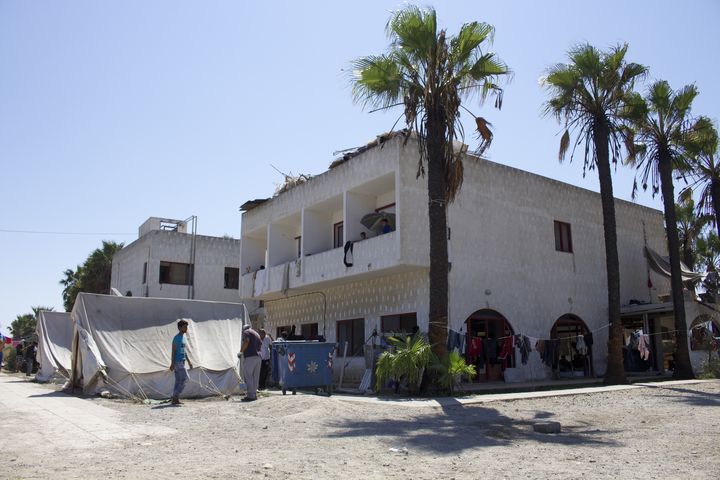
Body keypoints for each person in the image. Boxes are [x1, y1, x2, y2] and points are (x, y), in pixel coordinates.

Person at [169, 320, 193, 405]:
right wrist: (172, 363)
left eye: (186, 327)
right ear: (179, 328)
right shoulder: (176, 338)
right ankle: (175, 396)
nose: (186, 328)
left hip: (182, 361)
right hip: (177, 362)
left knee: (178, 380)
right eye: (184, 327)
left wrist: (189, 362)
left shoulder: (183, 338)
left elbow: (184, 351)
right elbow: (173, 351)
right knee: (186, 378)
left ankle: (175, 399)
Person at [240, 324, 262, 402]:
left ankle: (250, 395)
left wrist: (241, 351)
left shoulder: (246, 332)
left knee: (248, 376)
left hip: (250, 356)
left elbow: (246, 341)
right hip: (258, 357)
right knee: (255, 377)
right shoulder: (256, 334)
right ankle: (254, 394)